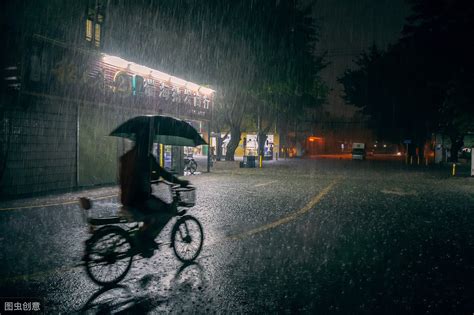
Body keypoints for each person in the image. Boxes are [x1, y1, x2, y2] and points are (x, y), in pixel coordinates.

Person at [119, 135, 188, 256]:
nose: (151, 145)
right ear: (146, 143)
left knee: (153, 213)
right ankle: (144, 239)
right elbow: (164, 173)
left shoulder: (131, 156)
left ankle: (144, 239)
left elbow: (136, 175)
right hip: (141, 199)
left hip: (128, 198)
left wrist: (150, 177)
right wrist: (180, 182)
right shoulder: (146, 157)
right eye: (150, 143)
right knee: (166, 210)